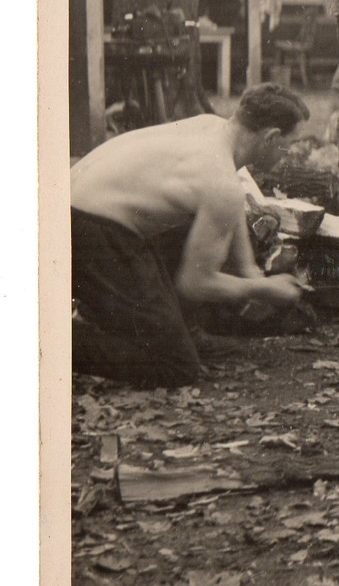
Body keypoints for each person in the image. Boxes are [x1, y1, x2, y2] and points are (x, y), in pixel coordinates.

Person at [70, 84, 310, 388]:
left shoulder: (211, 127)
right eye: (289, 145)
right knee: (175, 366)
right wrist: (263, 290)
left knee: (195, 224)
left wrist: (249, 269)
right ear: (271, 137)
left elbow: (227, 194)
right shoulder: (219, 180)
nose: (288, 155)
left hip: (76, 207)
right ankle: (51, 340)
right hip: (92, 230)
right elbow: (195, 283)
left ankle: (170, 325)